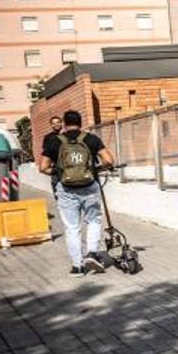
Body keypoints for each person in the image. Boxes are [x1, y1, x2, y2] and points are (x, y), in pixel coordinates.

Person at [38, 110, 116, 276]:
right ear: (80, 123)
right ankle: (92, 253)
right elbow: (109, 161)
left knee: (72, 228)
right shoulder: (91, 139)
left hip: (66, 190)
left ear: (64, 123)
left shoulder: (54, 141)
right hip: (89, 186)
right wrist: (96, 169)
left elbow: (42, 167)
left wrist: (58, 172)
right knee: (93, 220)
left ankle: (77, 267)